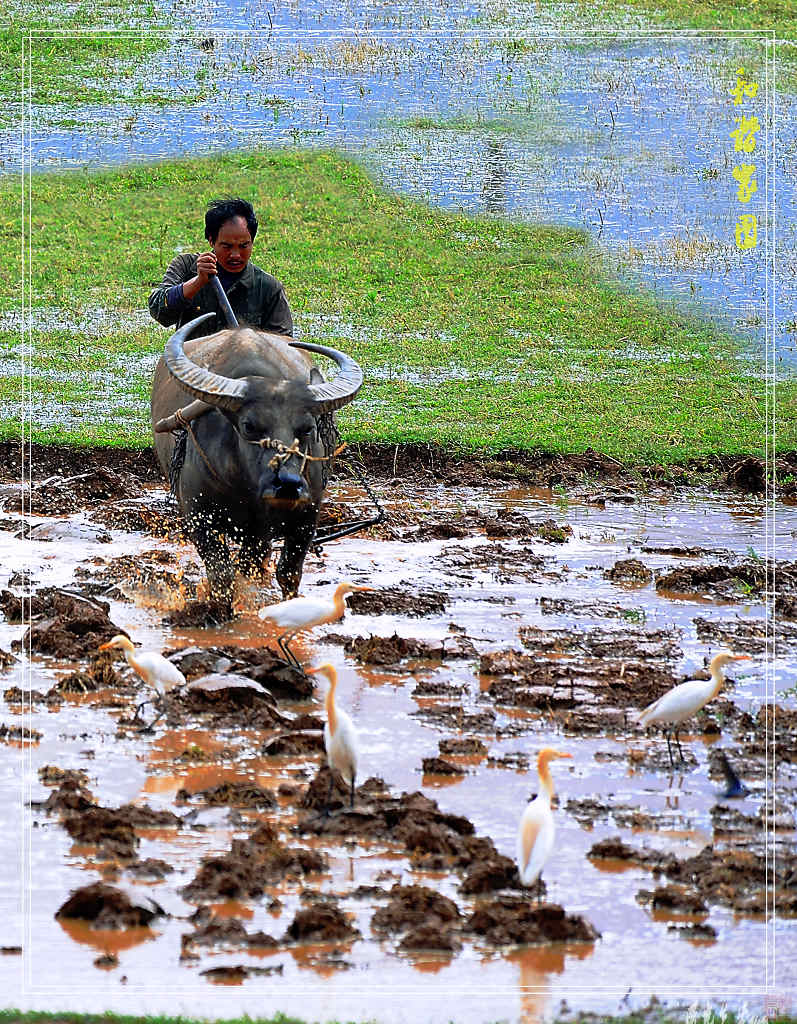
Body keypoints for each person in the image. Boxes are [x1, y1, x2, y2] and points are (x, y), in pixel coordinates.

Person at [148, 197, 293, 338]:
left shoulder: (269, 288)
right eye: (227, 246)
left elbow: (283, 345)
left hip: (243, 362)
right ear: (211, 240)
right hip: (194, 360)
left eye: (244, 246)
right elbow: (159, 311)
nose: (236, 255)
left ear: (252, 242)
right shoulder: (186, 266)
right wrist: (198, 282)